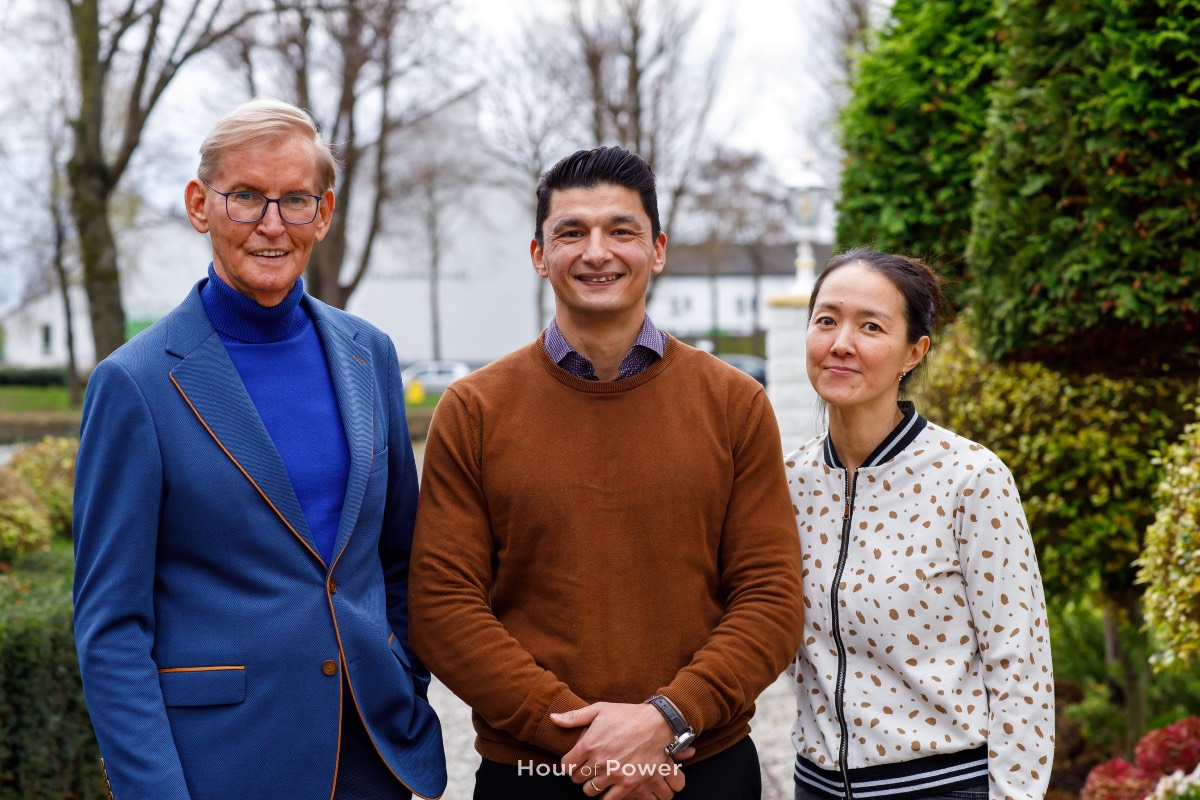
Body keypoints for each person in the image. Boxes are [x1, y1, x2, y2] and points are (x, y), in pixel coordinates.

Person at [72, 97, 445, 800]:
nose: (272, 225)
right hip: (222, 769)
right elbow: (111, 627)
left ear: (324, 213)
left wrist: (402, 671)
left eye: (294, 200)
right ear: (199, 204)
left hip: (376, 760)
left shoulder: (372, 354)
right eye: (245, 197)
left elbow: (403, 556)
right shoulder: (136, 384)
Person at [408, 145, 804, 800]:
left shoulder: (735, 404)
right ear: (539, 255)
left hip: (699, 770)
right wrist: (591, 745)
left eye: (621, 230)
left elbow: (771, 598)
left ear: (657, 250)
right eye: (572, 232)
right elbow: (443, 606)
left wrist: (665, 722)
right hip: (535, 773)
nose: (597, 252)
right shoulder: (475, 409)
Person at [784, 249, 1054, 800]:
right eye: (826, 320)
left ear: (914, 351)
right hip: (814, 786)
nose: (841, 343)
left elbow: (1020, 664)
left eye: (871, 326)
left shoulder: (971, 479)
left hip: (940, 786)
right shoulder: (788, 481)